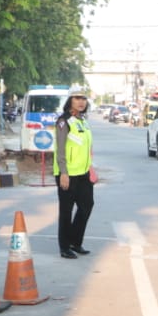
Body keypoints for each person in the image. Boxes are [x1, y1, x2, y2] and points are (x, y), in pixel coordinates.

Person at [54, 88, 96, 259]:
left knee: (87, 206)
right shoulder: (64, 121)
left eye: (84, 98)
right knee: (66, 211)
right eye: (77, 98)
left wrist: (91, 169)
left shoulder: (83, 121)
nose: (81, 101)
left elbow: (86, 149)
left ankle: (75, 242)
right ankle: (64, 247)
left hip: (83, 173)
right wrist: (64, 172)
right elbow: (61, 148)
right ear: (70, 100)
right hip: (68, 174)